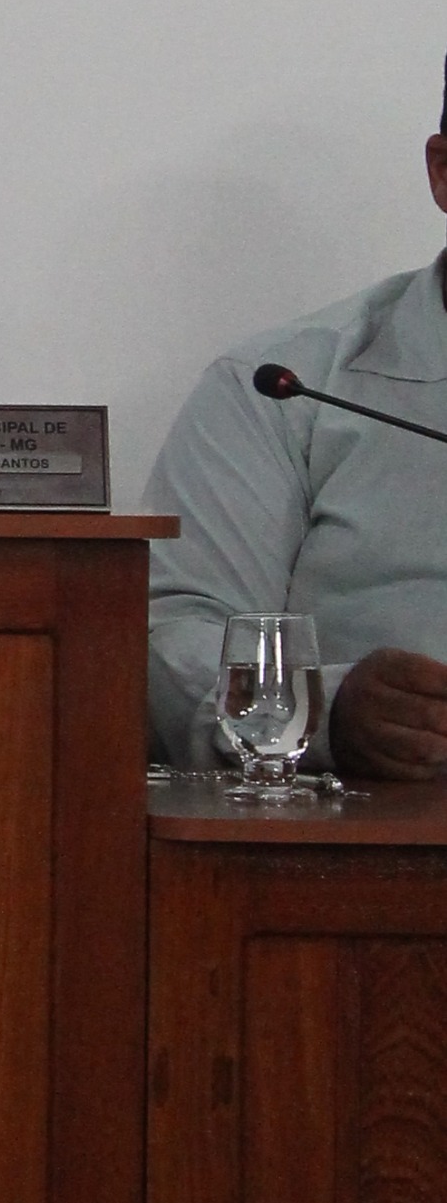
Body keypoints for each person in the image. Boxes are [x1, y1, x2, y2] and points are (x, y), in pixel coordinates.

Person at [145, 74, 447, 780]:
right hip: (377, 820)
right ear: (443, 172)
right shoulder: (286, 386)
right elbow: (169, 637)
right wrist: (322, 712)